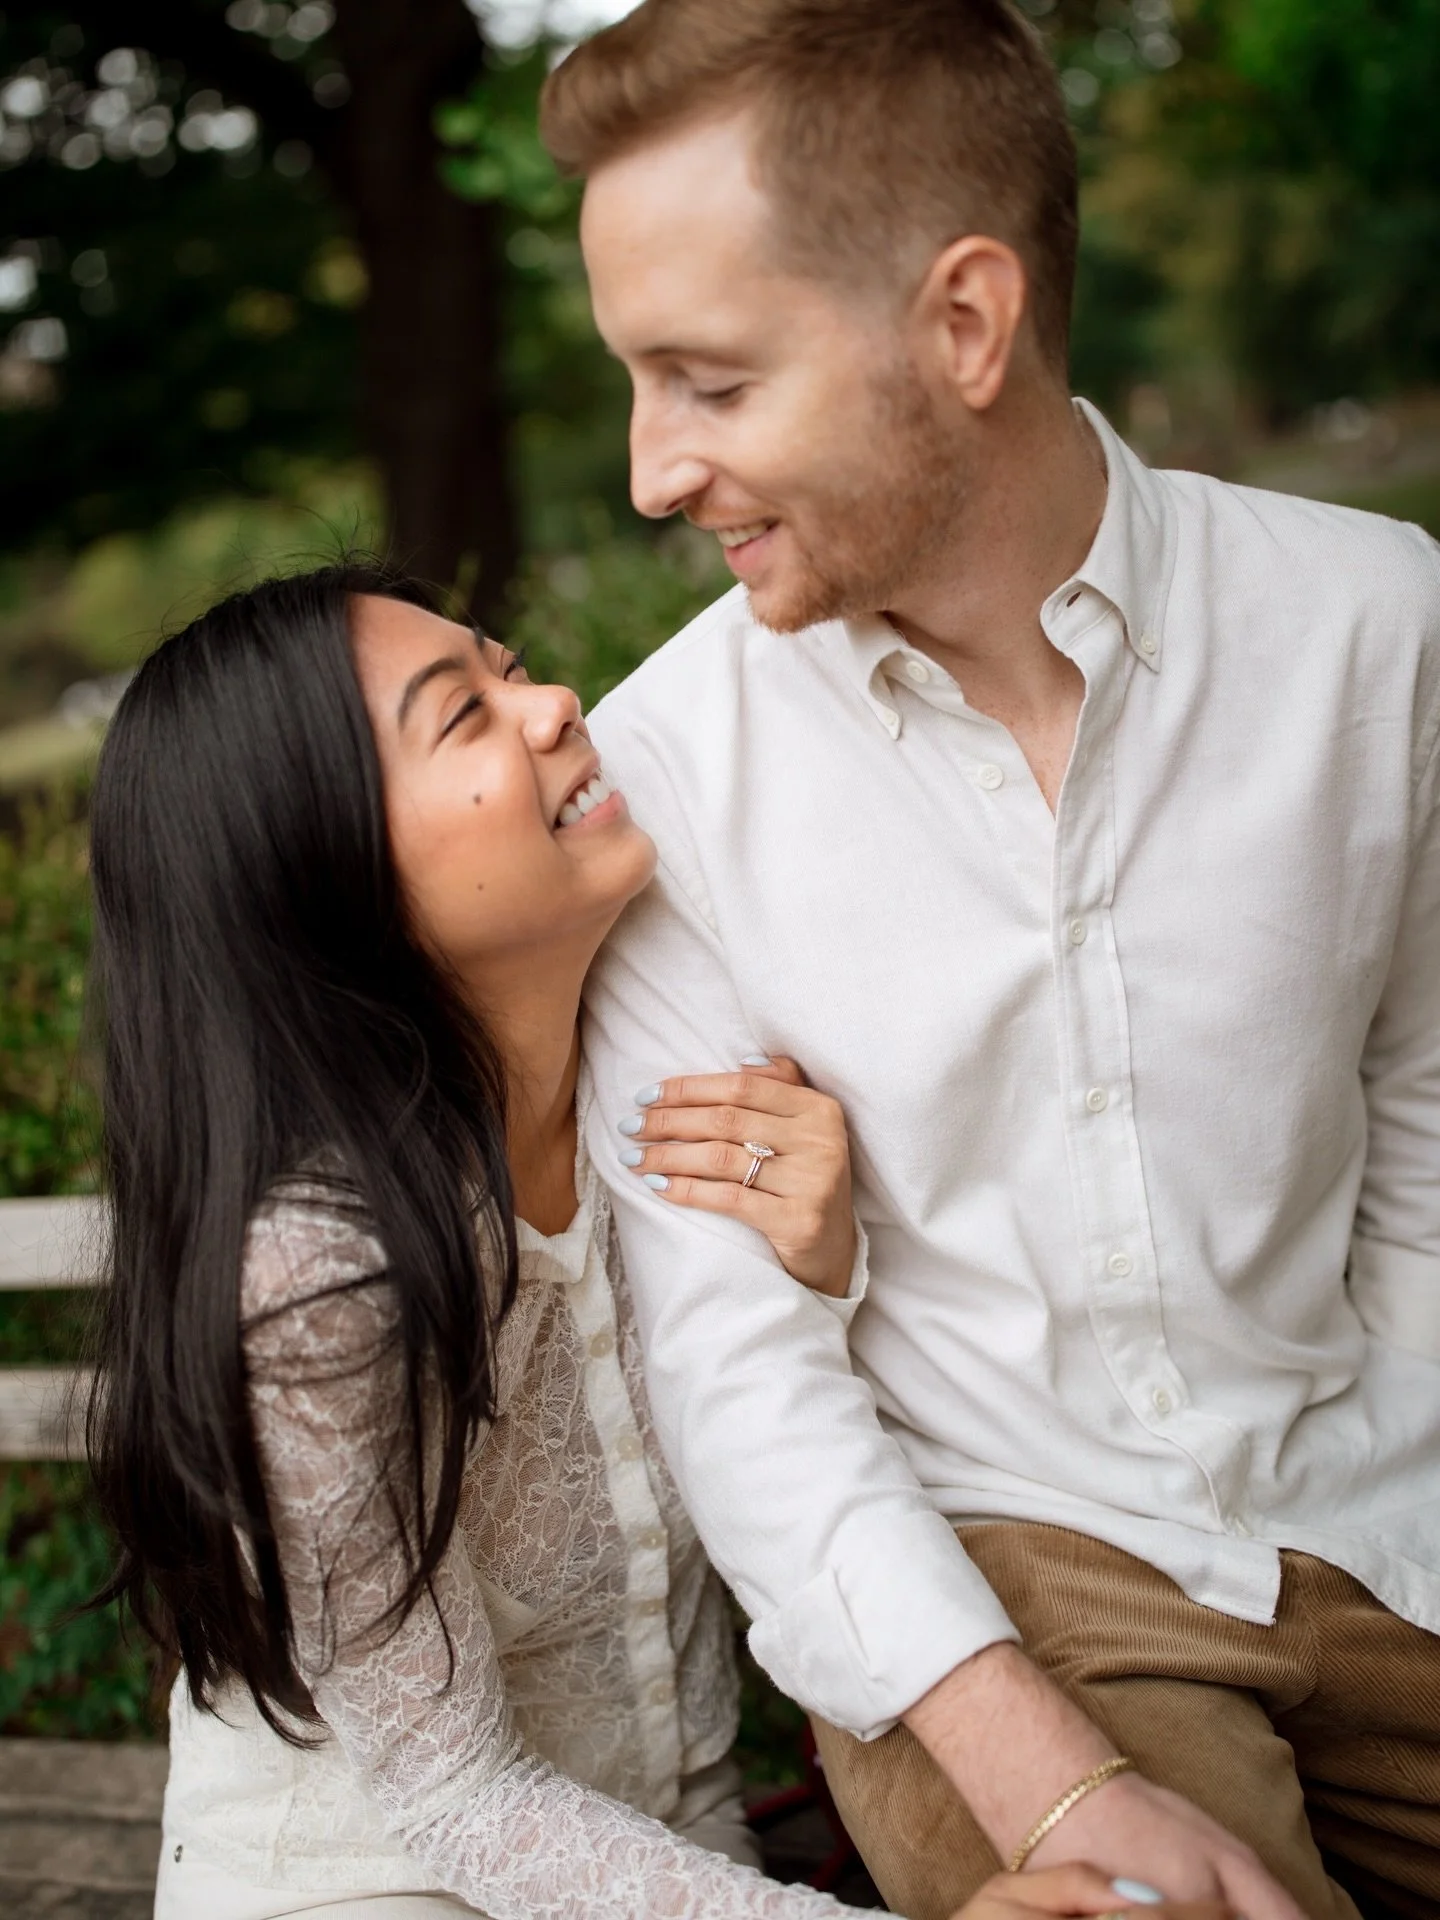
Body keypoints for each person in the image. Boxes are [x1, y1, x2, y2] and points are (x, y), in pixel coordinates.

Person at [536, 4, 1440, 1920]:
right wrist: (1043, 1786)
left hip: (1383, 1513)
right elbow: (736, 1368)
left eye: (704, 381)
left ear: (965, 324)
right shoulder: (667, 781)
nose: (648, 470)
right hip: (993, 1582)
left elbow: (1423, 1106)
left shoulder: (1383, 631)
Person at [84, 564, 1192, 1920]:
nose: (556, 706)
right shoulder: (319, 1271)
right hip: (371, 1882)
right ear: (322, 870)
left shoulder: (661, 1068)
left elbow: (778, 1470)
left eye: (509, 667)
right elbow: (449, 1797)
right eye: (464, 719)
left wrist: (820, 1275)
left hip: (676, 1844)